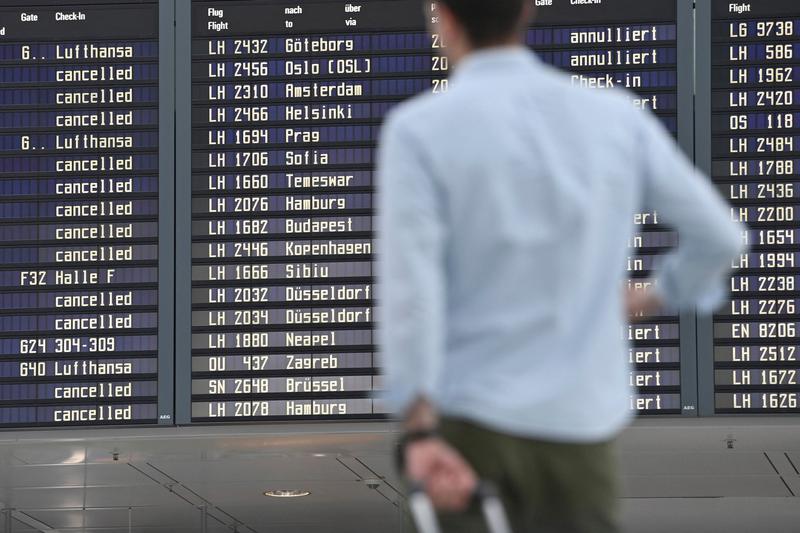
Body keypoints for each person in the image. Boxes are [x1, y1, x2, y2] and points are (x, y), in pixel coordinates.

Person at [376, 0, 744, 532]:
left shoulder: (418, 130)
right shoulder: (613, 114)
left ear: (443, 19)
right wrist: (654, 293)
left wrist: (418, 427)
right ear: (525, 13)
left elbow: (411, 293)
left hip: (468, 428)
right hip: (580, 428)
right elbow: (721, 237)